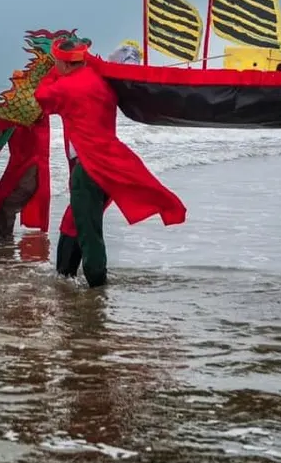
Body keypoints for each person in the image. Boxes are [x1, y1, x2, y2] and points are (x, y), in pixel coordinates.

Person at [35, 38, 187, 287]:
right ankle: (64, 278)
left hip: (89, 165)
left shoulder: (67, 86)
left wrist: (52, 73)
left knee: (88, 230)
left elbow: (41, 97)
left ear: (63, 62)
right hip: (111, 161)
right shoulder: (100, 79)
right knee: (76, 221)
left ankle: (96, 287)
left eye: (57, 62)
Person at [0, 114, 51, 238]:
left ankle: (3, 248)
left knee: (8, 205)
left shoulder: (33, 109)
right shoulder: (18, 107)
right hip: (18, 164)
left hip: (32, 164)